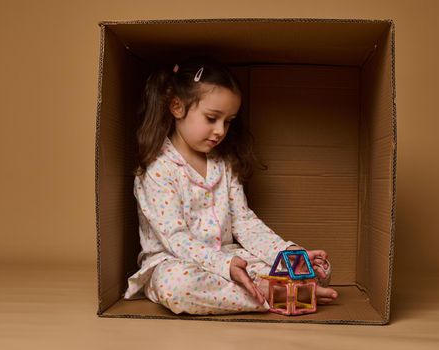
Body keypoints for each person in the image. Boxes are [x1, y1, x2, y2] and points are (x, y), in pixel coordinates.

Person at [123, 55, 338, 315]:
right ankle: (273, 295)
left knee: (317, 270)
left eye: (228, 121)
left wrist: (286, 251)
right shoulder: (157, 169)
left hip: (231, 257)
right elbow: (175, 239)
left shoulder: (223, 163)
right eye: (212, 118)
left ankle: (286, 287)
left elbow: (244, 222)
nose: (220, 131)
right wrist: (224, 266)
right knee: (176, 285)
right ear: (177, 107)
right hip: (176, 261)